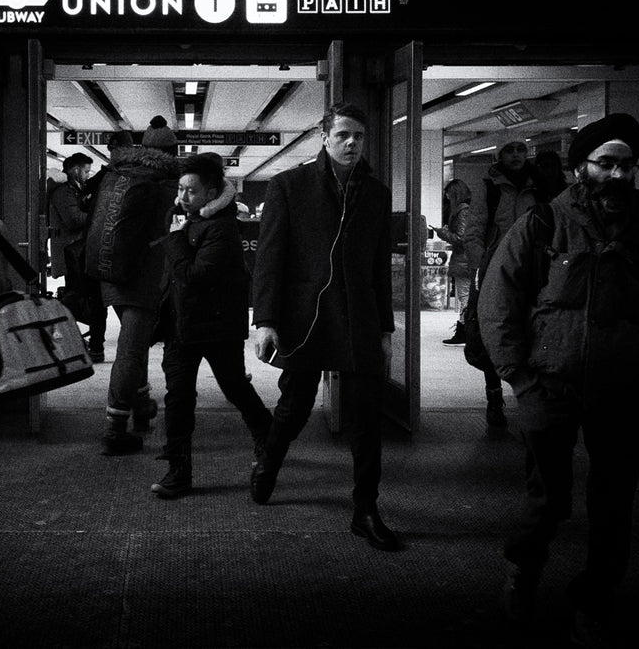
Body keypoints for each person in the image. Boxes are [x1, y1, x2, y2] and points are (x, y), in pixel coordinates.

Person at [479, 113, 639, 642]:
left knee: (614, 501)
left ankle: (595, 596)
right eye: (605, 163)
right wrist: (519, 381)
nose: (617, 175)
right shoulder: (544, 224)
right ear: (581, 168)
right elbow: (498, 302)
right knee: (547, 498)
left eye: (626, 165)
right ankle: (523, 571)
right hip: (549, 385)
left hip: (620, 390)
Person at [250, 104, 399, 552]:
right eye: (343, 135)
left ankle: (366, 509)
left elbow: (379, 267)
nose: (352, 143)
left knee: (364, 418)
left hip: (359, 318)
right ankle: (269, 461)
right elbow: (270, 258)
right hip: (306, 315)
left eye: (359, 136)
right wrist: (266, 321)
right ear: (324, 136)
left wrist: (386, 329)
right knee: (294, 405)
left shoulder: (375, 193)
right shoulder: (288, 187)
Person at [150, 152, 273, 499]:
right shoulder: (181, 219)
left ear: (211, 193)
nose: (182, 196)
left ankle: (268, 438)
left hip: (217, 328)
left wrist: (174, 241)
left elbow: (191, 276)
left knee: (234, 387)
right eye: (180, 189)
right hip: (181, 327)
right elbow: (173, 279)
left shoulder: (222, 229)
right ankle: (178, 469)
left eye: (191, 191)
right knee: (178, 397)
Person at [85, 120, 181, 456]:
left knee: (133, 342)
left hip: (110, 272)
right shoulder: (165, 183)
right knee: (130, 351)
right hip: (143, 277)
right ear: (172, 152)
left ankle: (141, 406)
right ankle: (115, 428)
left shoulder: (116, 174)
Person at [463, 140, 546, 427]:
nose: (516, 156)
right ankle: (494, 396)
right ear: (500, 155)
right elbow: (474, 233)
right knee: (491, 332)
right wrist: (481, 269)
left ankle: (530, 399)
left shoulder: (539, 186)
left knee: (532, 331)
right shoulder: (490, 188)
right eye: (510, 151)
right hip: (495, 271)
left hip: (531, 272)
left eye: (521, 150)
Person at [49, 152, 106, 363]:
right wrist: (97, 213)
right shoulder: (63, 193)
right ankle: (67, 337)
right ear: (75, 170)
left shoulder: (75, 189)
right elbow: (73, 220)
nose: (87, 175)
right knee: (81, 299)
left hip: (79, 254)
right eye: (85, 171)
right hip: (72, 255)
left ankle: (86, 342)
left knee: (86, 299)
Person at [435, 178, 472, 346]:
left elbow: (460, 237)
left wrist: (442, 233)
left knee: (464, 297)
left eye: (449, 195)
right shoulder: (467, 210)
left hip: (463, 261)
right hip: (466, 260)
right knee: (466, 296)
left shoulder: (462, 211)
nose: (447, 198)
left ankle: (464, 331)